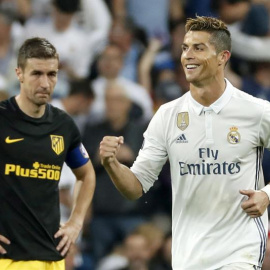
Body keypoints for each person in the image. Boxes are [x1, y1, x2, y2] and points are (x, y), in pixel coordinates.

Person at [99, 16, 270, 269]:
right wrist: (111, 164)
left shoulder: (256, 111)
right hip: (188, 254)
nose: (188, 55)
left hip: (239, 250)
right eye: (185, 48)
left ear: (223, 57)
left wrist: (266, 194)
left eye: (198, 48)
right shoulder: (167, 116)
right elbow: (135, 187)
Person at [0, 37, 96, 270]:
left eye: (52, 74)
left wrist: (75, 222)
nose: (45, 83)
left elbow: (86, 175)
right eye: (36, 74)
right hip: (8, 258)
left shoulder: (63, 125)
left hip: (51, 257)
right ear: (19, 73)